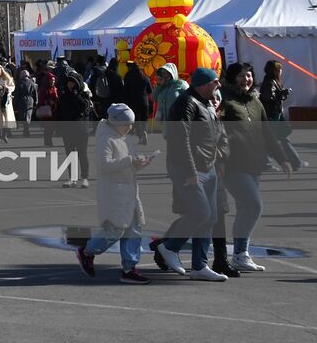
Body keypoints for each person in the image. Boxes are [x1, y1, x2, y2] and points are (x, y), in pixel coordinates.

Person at [156, 67, 230, 281]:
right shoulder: (186, 103)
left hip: (209, 166)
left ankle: (199, 266)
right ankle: (169, 247)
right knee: (201, 213)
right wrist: (190, 170)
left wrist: (219, 153)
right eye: (214, 82)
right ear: (202, 84)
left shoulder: (207, 103)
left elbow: (219, 132)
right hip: (188, 168)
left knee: (211, 217)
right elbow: (181, 139)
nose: (218, 86)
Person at [219, 61, 289, 273]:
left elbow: (267, 132)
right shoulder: (225, 101)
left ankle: (241, 253)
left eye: (248, 75)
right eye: (241, 75)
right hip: (231, 166)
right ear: (232, 78)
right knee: (253, 205)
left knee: (244, 208)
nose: (246, 79)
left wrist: (282, 158)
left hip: (253, 164)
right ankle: (240, 254)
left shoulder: (256, 102)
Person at [75, 104, 158, 284]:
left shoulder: (124, 138)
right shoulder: (106, 139)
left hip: (130, 190)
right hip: (114, 192)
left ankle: (130, 268)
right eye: (127, 124)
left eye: (131, 124)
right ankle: (88, 251)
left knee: (134, 229)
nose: (130, 127)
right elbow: (104, 164)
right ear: (115, 122)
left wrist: (140, 162)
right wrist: (129, 160)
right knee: (115, 229)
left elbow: (128, 161)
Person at [258, 60, 303, 170]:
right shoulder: (270, 82)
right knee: (276, 140)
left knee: (280, 140)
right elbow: (269, 97)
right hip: (272, 116)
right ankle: (294, 162)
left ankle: (295, 162)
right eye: (279, 69)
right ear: (274, 70)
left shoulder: (272, 81)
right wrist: (281, 94)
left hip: (275, 115)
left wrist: (282, 94)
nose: (281, 71)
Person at [54, 75, 92, 188]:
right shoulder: (63, 96)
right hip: (67, 129)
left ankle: (85, 178)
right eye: (69, 83)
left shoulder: (84, 95)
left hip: (81, 129)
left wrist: (75, 95)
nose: (70, 85)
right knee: (70, 154)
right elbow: (59, 112)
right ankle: (72, 178)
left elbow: (84, 108)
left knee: (82, 153)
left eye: (73, 83)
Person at [14, 67, 38, 138]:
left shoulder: (19, 83)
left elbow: (16, 94)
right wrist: (36, 102)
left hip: (21, 101)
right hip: (30, 101)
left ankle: (25, 128)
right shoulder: (32, 83)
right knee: (28, 114)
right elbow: (35, 93)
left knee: (23, 115)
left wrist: (14, 104)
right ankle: (26, 128)